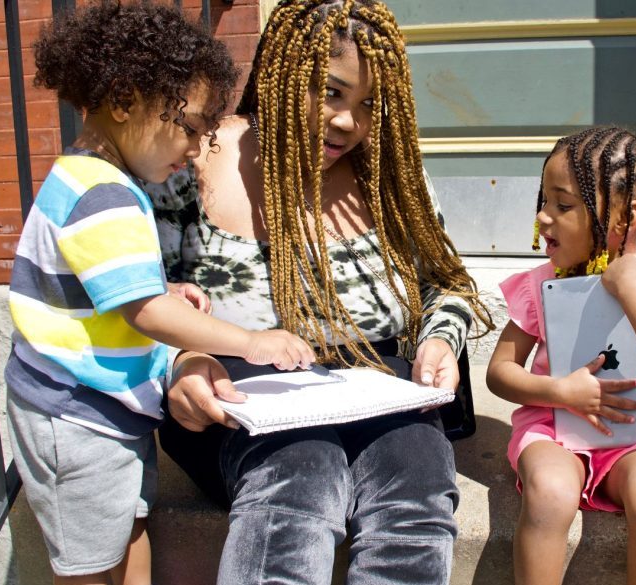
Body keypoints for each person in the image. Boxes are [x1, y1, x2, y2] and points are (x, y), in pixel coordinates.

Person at [146, 0, 493, 583]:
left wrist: (437, 339)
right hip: (240, 395)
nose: (347, 123)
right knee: (301, 476)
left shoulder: (390, 171)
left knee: (419, 488)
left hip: (375, 385)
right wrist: (178, 361)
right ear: (283, 71)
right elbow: (133, 302)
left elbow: (447, 283)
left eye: (367, 105)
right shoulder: (195, 158)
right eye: (330, 93)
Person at [3, 3, 316, 584]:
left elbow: (100, 280)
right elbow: (145, 312)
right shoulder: (108, 197)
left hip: (96, 408)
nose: (197, 149)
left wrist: (162, 284)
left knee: (131, 526)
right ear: (124, 102)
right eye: (190, 127)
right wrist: (249, 340)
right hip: (77, 418)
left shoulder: (84, 175)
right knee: (90, 566)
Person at [484, 126, 636, 585]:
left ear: (626, 215)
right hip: (554, 432)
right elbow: (499, 373)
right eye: (543, 201)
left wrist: (630, 289)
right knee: (549, 491)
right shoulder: (539, 286)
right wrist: (558, 391)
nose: (544, 218)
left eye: (563, 205)